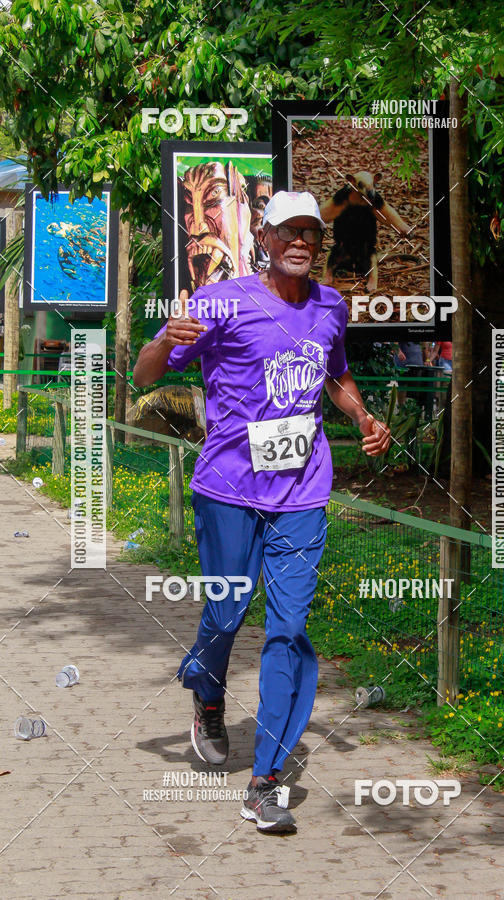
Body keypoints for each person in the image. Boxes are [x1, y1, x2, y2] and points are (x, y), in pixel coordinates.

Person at [132, 191, 391, 834]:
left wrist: (360, 414)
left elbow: (334, 374)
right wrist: (168, 340)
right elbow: (142, 375)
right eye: (289, 232)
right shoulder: (220, 301)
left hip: (302, 491)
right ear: (266, 241)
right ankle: (208, 693)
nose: (303, 241)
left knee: (290, 631)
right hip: (226, 487)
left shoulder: (332, 306)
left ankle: (266, 780)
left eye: (312, 233)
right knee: (226, 611)